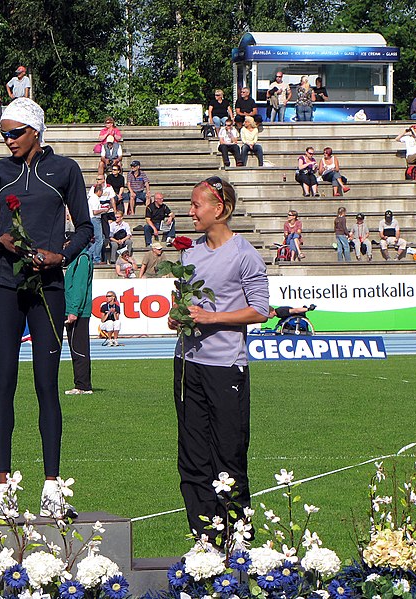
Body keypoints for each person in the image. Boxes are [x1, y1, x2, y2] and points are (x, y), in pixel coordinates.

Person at [0, 97, 92, 521]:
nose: (7, 141)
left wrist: (60, 255)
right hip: (5, 287)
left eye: (14, 133)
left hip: (49, 289)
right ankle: (3, 490)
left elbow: (86, 229)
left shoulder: (65, 170)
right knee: (3, 385)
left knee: (46, 386)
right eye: (3, 133)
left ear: (35, 131)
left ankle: (52, 488)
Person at [169, 175, 269, 548]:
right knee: (192, 455)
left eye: (197, 205)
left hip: (225, 366)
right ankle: (205, 538)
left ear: (220, 209)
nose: (191, 212)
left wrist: (211, 318)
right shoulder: (189, 254)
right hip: (186, 364)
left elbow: (261, 309)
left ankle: (239, 536)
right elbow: (178, 305)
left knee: (228, 452)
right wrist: (176, 316)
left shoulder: (245, 254)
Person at [63, 240, 93, 395]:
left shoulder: (82, 259)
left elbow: (79, 286)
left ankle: (82, 385)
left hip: (78, 311)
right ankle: (81, 383)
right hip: (74, 309)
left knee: (78, 348)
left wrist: (74, 310)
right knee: (76, 347)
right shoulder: (77, 259)